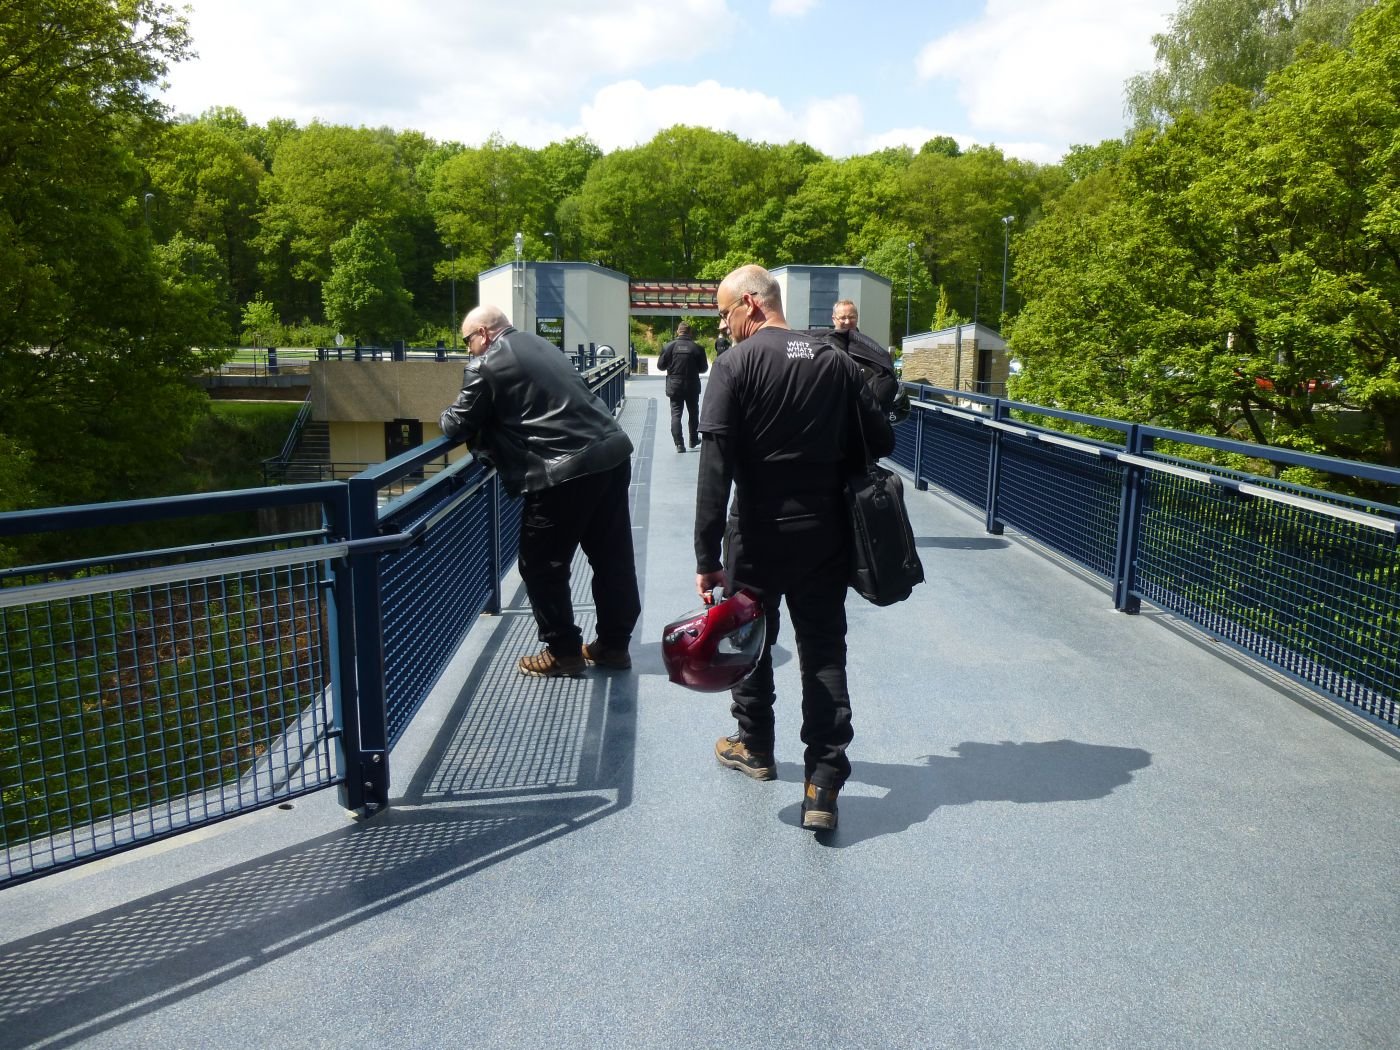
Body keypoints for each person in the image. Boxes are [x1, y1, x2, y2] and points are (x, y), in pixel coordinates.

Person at [694, 265, 893, 832]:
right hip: (824, 531)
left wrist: (706, 557)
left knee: (751, 639)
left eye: (725, 313)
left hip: (755, 533)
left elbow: (715, 469)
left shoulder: (734, 366)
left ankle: (755, 746)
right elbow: (881, 438)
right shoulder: (835, 360)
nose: (723, 326)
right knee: (823, 651)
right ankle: (823, 784)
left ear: (751, 304)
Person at [440, 304, 641, 678]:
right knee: (611, 557)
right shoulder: (541, 344)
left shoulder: (484, 365)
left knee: (540, 564)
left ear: (483, 333)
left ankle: (563, 652)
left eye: (468, 340)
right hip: (611, 453)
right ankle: (614, 646)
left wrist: (448, 416)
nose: (468, 349)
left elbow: (456, 423)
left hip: (564, 470)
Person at [824, 300, 910, 425]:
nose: (847, 322)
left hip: (861, 419)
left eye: (851, 317)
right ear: (834, 319)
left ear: (857, 318)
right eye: (842, 318)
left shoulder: (870, 350)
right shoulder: (822, 347)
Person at [656, 321, 708, 453]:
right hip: (692, 386)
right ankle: (693, 439)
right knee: (693, 413)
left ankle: (679, 444)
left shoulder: (669, 347)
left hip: (674, 386)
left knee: (676, 414)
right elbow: (704, 369)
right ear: (690, 332)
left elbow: (660, 366)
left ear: (678, 332)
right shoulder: (697, 348)